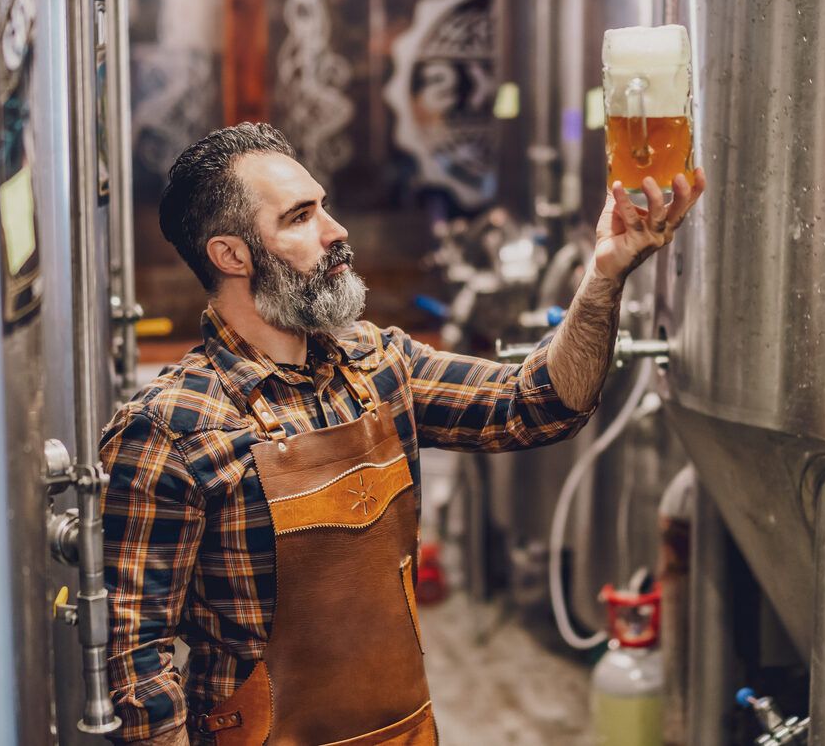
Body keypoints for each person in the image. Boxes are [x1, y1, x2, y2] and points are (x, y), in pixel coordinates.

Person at [101, 122, 704, 746]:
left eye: (324, 206)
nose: (335, 231)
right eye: (301, 217)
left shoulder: (379, 364)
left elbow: (539, 405)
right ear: (232, 255)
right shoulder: (170, 428)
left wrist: (605, 274)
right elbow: (136, 672)